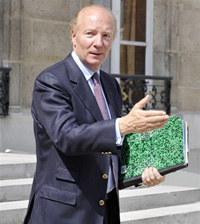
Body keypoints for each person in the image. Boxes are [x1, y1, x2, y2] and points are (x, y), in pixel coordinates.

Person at [24, 5, 169, 224]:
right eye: (90, 33)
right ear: (74, 36)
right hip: (64, 212)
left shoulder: (110, 84)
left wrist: (144, 171)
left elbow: (111, 146)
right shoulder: (51, 81)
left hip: (106, 209)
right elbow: (67, 137)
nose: (98, 43)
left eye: (106, 36)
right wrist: (123, 125)